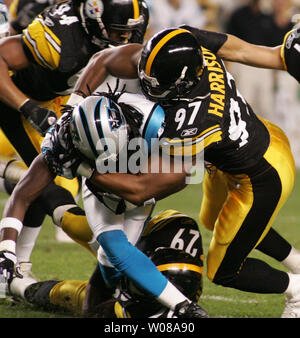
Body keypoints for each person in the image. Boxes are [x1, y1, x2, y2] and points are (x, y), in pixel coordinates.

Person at [61, 27, 300, 318]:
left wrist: (84, 166)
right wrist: (283, 52)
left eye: (158, 84)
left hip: (261, 176)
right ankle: (297, 262)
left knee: (224, 271)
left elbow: (145, 189)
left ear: (185, 81)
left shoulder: (193, 123)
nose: (149, 88)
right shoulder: (186, 42)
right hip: (255, 139)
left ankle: (296, 290)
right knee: (212, 220)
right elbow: (241, 49)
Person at [0, 92, 209, 318]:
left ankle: (171, 303)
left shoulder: (149, 118)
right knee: (112, 253)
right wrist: (7, 249)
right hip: (102, 193)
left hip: (142, 178)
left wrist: (88, 169)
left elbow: (154, 186)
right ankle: (181, 306)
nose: (110, 162)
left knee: (119, 256)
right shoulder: (61, 141)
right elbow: (23, 195)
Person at [0, 0, 150, 279]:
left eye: (131, 31)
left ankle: (17, 267)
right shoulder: (62, 37)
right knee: (50, 185)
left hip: (67, 104)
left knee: (51, 185)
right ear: (96, 19)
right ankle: (13, 265)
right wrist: (27, 106)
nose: (126, 38)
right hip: (28, 106)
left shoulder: (123, 28)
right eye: (119, 32)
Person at [10, 209, 205, 318]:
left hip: (130, 253)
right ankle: (16, 283)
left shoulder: (129, 311)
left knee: (66, 294)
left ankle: (17, 285)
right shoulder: (168, 230)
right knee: (73, 222)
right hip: (126, 237)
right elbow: (112, 256)